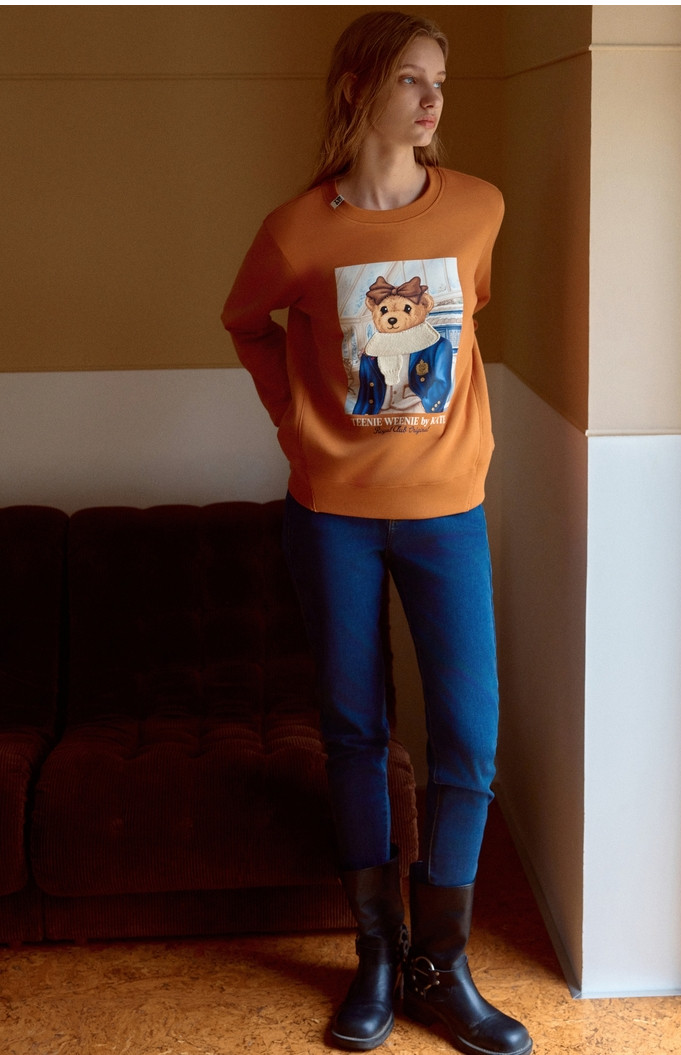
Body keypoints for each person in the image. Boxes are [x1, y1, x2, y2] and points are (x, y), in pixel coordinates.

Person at [222, 11, 532, 1055]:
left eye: (438, 78)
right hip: (333, 520)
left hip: (448, 510)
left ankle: (443, 963)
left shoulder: (479, 208)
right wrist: (294, 419)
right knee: (356, 731)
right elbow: (244, 322)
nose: (433, 98)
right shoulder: (294, 232)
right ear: (358, 89)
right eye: (409, 78)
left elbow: (468, 316)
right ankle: (377, 953)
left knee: (470, 735)